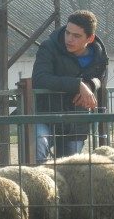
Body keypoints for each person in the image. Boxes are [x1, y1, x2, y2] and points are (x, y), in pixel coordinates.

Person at [32, 10, 109, 163]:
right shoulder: (49, 47)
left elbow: (101, 77)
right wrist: (77, 85)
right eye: (68, 33)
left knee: (70, 169)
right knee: (37, 157)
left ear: (90, 38)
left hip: (75, 122)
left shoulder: (99, 55)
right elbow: (40, 78)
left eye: (76, 36)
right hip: (44, 115)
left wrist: (91, 84)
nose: (69, 39)